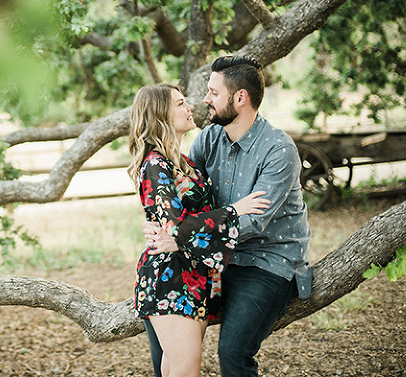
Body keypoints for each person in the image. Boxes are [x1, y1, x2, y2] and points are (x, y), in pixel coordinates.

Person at [143, 55, 312, 377]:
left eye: (213, 92)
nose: (205, 99)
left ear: (240, 98)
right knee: (162, 327)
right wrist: (158, 221)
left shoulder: (279, 149)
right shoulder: (208, 139)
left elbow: (253, 221)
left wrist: (179, 239)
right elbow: (187, 196)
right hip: (212, 258)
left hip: (265, 260)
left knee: (233, 351)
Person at [128, 83, 270, 377]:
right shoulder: (155, 164)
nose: (190, 106)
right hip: (171, 277)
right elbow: (174, 227)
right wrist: (234, 211)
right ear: (160, 115)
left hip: (192, 274)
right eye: (180, 104)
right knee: (185, 369)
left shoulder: (180, 161)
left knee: (176, 368)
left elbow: (183, 221)